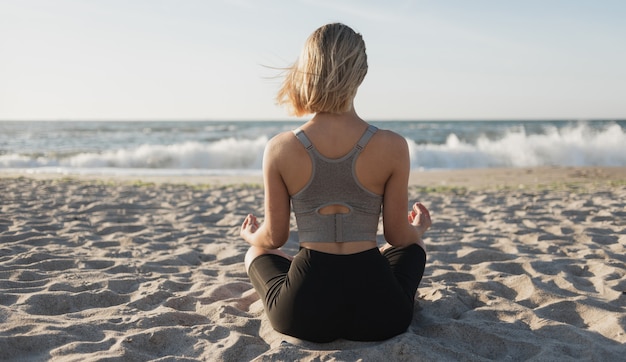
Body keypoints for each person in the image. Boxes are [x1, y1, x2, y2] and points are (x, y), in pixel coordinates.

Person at [240, 23, 431, 343]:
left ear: (306, 70)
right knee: (415, 247)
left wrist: (249, 235)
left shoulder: (280, 148)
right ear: (362, 73)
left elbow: (274, 237)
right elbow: (398, 236)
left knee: (256, 251)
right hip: (380, 314)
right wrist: (420, 229)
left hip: (303, 314)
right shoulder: (393, 145)